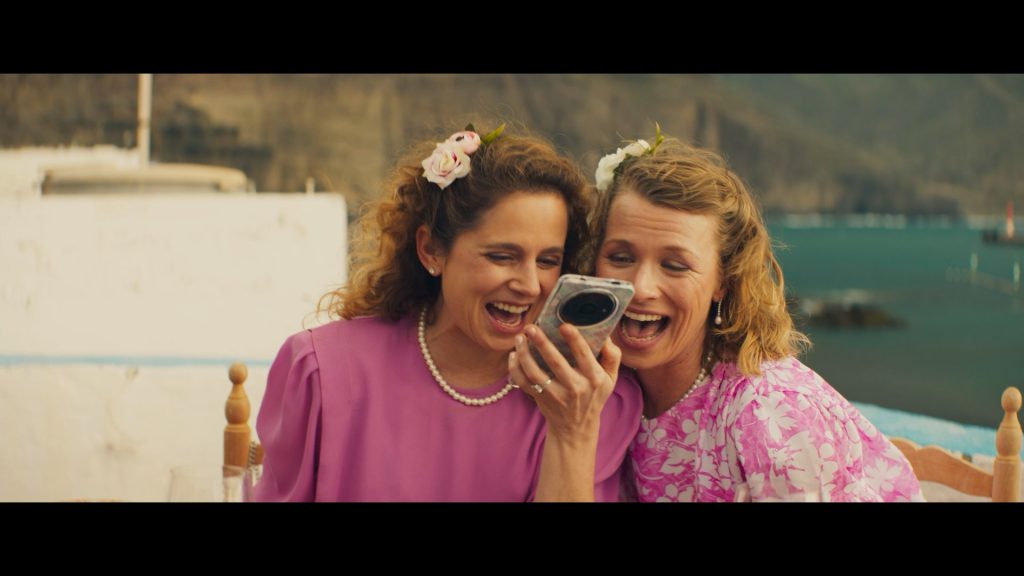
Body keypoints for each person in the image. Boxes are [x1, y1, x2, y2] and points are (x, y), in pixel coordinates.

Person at [251, 124, 642, 501]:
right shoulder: (322, 372)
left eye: (547, 261)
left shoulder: (583, 398)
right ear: (432, 251)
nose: (529, 285)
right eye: (502, 256)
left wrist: (571, 433)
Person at [591, 131, 923, 502]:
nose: (640, 287)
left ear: (723, 281)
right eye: (620, 257)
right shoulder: (603, 388)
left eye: (674, 265)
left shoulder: (769, 414)